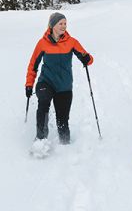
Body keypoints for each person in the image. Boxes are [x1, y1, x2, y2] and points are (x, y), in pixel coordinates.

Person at [25, 12, 94, 144]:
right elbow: (33, 65)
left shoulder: (72, 42)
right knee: (43, 104)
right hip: (46, 82)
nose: (64, 26)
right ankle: (40, 140)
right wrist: (29, 84)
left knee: (62, 119)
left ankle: (65, 144)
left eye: (65, 24)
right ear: (52, 26)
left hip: (64, 86)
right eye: (60, 23)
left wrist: (87, 58)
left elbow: (89, 59)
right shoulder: (42, 43)